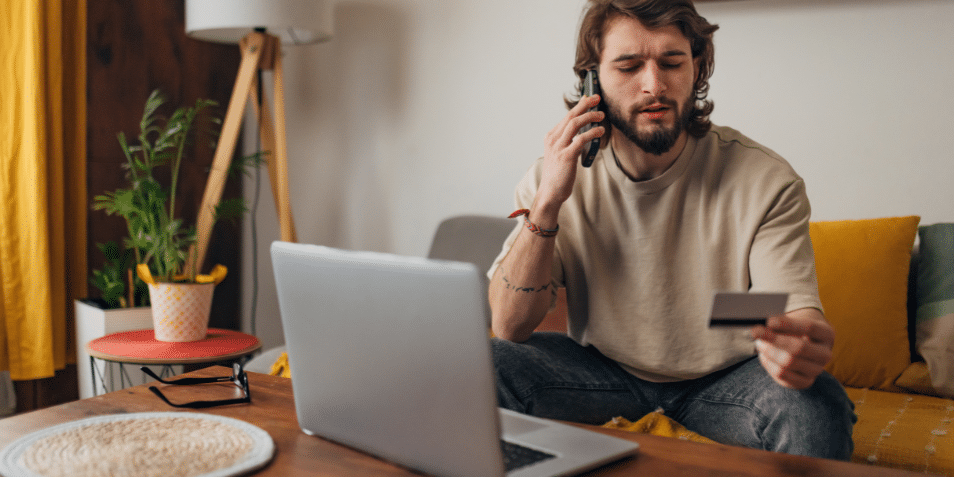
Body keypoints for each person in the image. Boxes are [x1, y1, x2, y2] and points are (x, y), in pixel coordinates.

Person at [487, 0, 856, 460]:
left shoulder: (764, 179)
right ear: (591, 80)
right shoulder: (555, 178)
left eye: (671, 62)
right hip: (602, 372)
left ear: (697, 69)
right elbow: (509, 325)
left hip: (728, 381)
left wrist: (798, 343)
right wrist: (546, 206)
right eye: (628, 66)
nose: (654, 85)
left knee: (816, 404)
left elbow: (791, 311)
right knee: (489, 365)